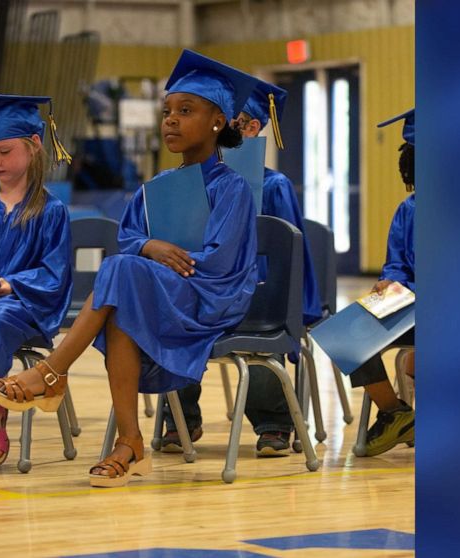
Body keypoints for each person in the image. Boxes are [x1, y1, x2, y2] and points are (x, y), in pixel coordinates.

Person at [0, 50, 259, 487]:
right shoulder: (154, 189)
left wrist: (151, 258)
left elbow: (220, 263)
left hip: (210, 296)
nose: (170, 120)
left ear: (217, 121)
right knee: (122, 300)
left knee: (121, 274)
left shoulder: (232, 189)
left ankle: (53, 373)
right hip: (159, 294)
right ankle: (129, 443)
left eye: (185, 111)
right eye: (167, 111)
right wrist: (151, 246)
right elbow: (132, 239)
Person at [160, 77, 322, 456]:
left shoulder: (274, 186)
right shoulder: (184, 181)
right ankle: (182, 419)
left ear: (250, 128)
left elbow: (286, 255)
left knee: (258, 317)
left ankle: (273, 422)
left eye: (229, 120)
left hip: (257, 291)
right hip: (199, 288)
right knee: (172, 317)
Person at [0, 94, 74, 467]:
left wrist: (8, 285)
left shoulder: (51, 211)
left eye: (4, 152)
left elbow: (55, 274)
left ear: (35, 145)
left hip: (25, 306)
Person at [350, 108, 416, 457]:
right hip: (412, 304)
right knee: (347, 333)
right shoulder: (408, 209)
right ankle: (395, 414)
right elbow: (396, 262)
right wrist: (389, 281)